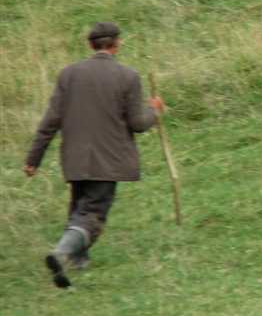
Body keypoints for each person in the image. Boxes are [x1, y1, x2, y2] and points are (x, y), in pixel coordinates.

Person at [24, 22, 164, 289]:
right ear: (117, 44)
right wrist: (154, 110)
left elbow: (51, 120)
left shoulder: (69, 74)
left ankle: (78, 261)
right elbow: (138, 123)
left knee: (79, 207)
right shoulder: (128, 76)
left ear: (90, 44)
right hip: (108, 160)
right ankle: (62, 254)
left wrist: (34, 157)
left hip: (74, 158)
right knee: (92, 214)